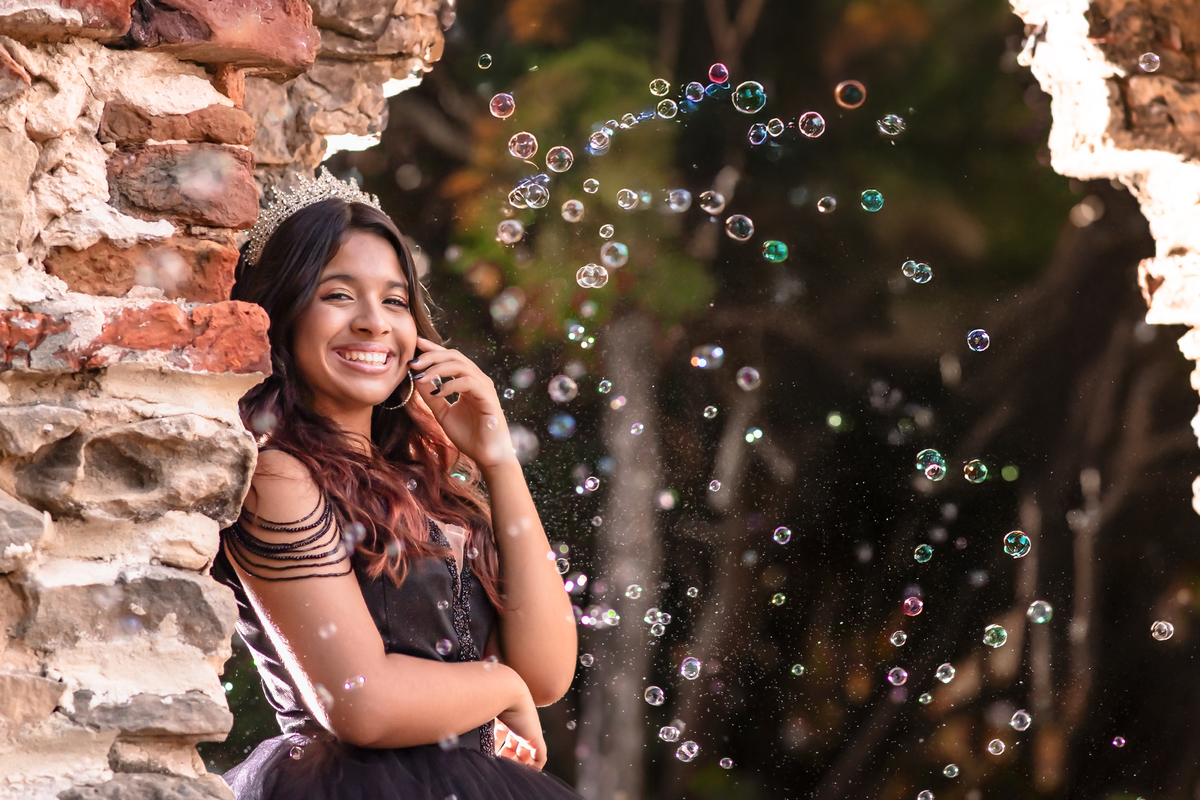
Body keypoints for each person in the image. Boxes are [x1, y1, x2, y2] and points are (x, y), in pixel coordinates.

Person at [211, 168, 581, 800]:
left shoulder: (427, 486)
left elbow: (546, 673)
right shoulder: (278, 474)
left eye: (394, 300)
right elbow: (362, 704)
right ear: (283, 312)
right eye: (336, 295)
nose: (373, 323)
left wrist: (497, 460)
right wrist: (502, 687)